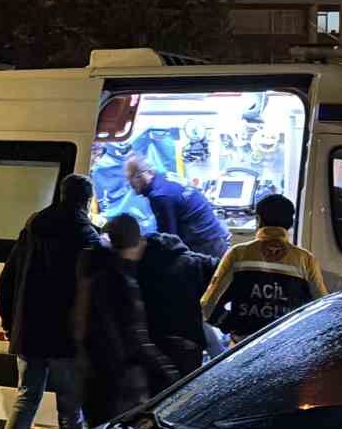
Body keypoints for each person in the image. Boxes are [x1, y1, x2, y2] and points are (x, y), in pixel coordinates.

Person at [0, 174, 100, 429]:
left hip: (29, 331)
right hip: (66, 336)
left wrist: (8, 321)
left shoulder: (33, 229)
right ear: (86, 201)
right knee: (69, 404)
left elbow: (7, 280)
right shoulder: (87, 237)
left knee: (26, 398)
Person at [75, 215, 179, 428]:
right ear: (136, 241)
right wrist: (167, 371)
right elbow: (135, 336)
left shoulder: (93, 268)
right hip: (120, 380)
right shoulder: (121, 280)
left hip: (93, 375)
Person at [201, 194, 328, 341]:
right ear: (291, 223)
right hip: (286, 348)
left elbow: (207, 306)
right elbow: (322, 308)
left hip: (243, 348)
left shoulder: (237, 254)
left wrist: (233, 326)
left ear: (258, 220)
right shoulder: (305, 260)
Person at [133, 232, 220, 384]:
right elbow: (223, 269)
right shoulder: (193, 263)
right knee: (186, 394)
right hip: (188, 343)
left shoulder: (137, 267)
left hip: (154, 344)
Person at [123, 152, 231, 259]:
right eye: (128, 179)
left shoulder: (159, 196)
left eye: (134, 177)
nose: (131, 183)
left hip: (204, 245)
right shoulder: (165, 178)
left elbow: (169, 238)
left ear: (147, 173)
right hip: (214, 237)